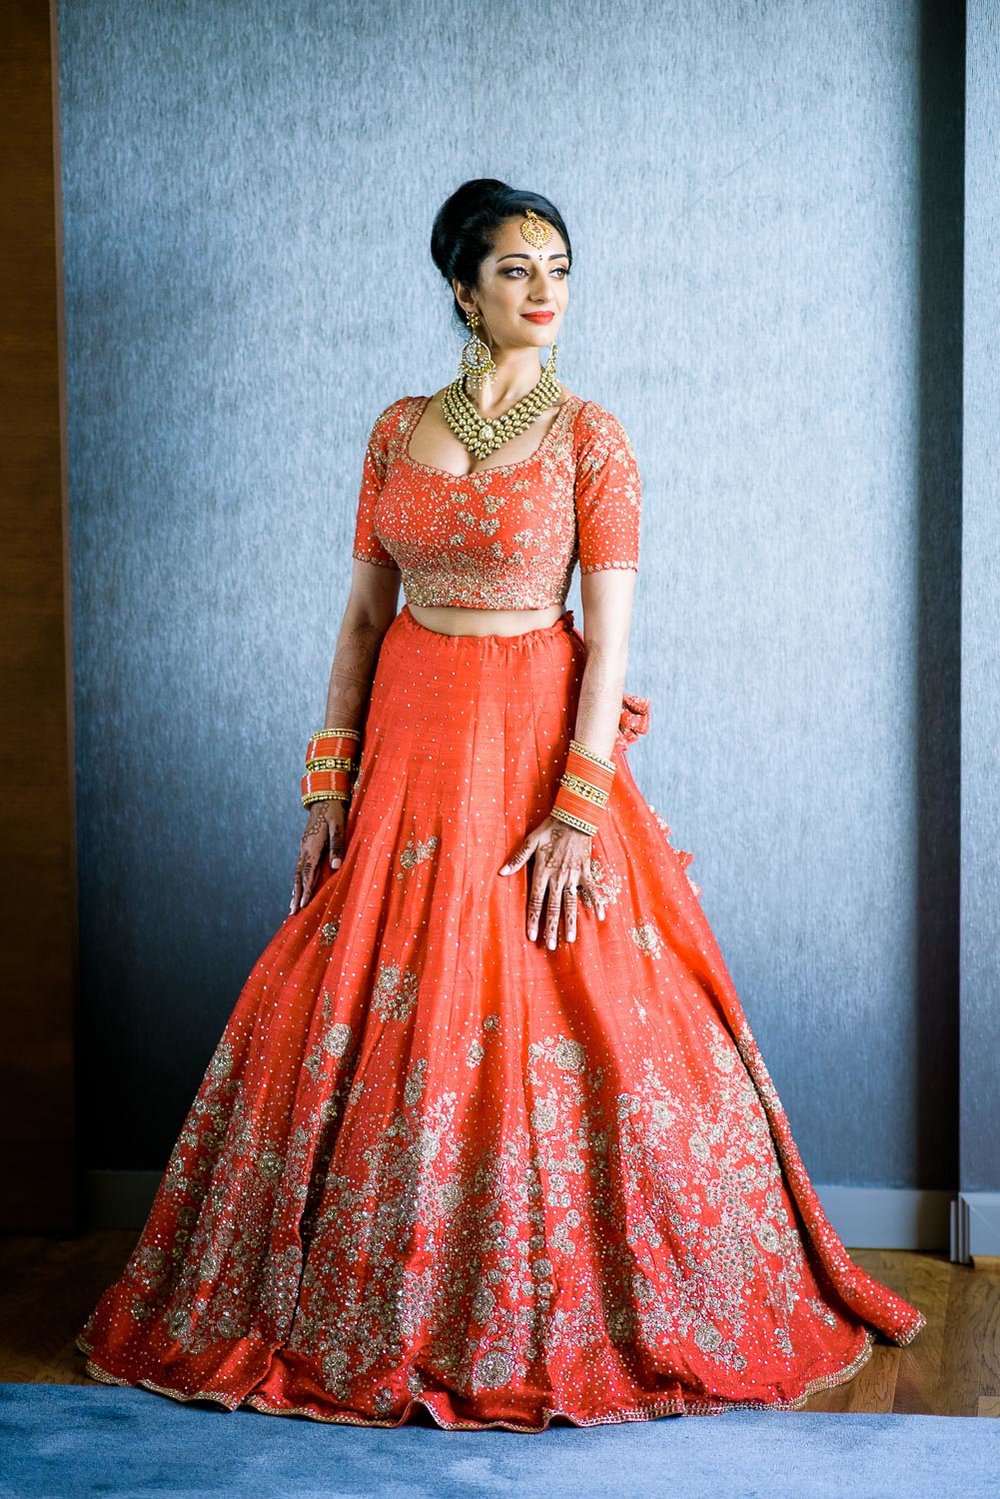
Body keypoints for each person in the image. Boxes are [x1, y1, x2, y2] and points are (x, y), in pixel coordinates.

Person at [77, 178, 924, 1432]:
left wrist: (578, 806)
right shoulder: (392, 431)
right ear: (462, 288)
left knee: (569, 992)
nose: (546, 292)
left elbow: (614, 639)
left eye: (561, 269)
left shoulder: (593, 438)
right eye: (519, 269)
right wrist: (328, 784)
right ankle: (353, 1299)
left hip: (532, 726)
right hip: (412, 732)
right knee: (359, 988)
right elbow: (363, 618)